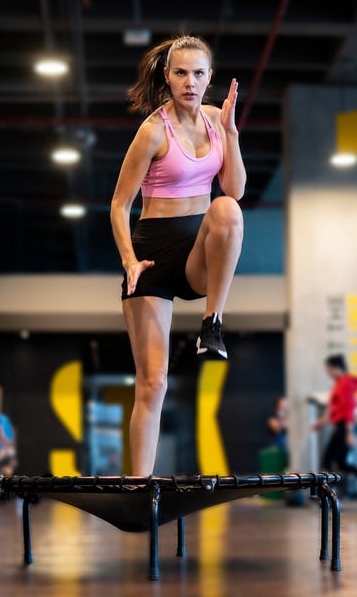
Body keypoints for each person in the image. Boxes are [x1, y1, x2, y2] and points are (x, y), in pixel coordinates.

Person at [110, 34, 246, 476]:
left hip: (197, 249)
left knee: (227, 209)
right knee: (153, 382)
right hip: (152, 252)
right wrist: (129, 260)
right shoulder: (152, 131)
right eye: (181, 73)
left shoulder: (214, 119)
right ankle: (138, 486)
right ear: (167, 76)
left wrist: (231, 133)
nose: (190, 81)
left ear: (210, 79)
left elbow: (234, 189)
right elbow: (118, 205)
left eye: (199, 73)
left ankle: (213, 324)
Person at [311, 354, 357, 472]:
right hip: (341, 426)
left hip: (344, 427)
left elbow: (349, 408)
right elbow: (336, 409)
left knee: (328, 462)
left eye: (329, 369)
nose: (328, 373)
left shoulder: (344, 383)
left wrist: (349, 433)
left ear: (337, 367)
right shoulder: (340, 383)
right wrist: (321, 422)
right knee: (341, 463)